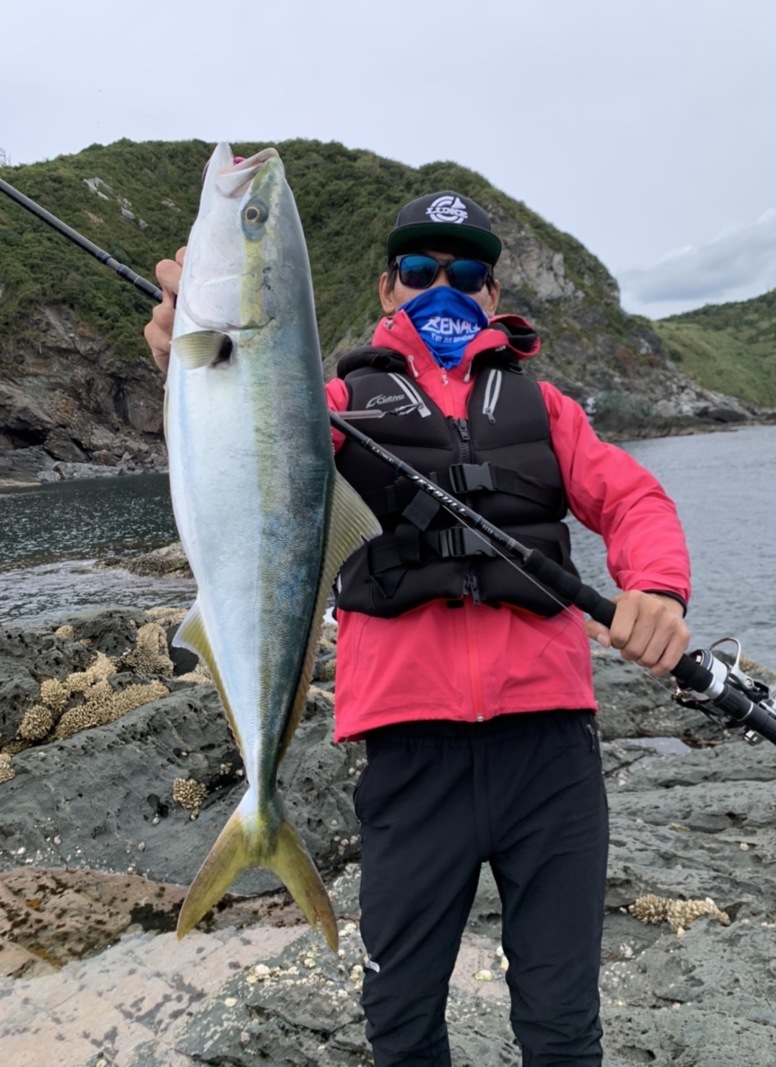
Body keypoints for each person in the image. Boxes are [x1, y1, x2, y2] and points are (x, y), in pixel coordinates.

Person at [145, 187, 691, 1067]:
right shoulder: (324, 402)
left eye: (466, 271)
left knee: (561, 1025)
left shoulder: (545, 410)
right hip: (407, 761)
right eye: (420, 268)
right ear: (388, 287)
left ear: (491, 292)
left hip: (549, 759)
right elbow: (244, 441)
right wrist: (188, 355)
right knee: (399, 1020)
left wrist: (658, 589)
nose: (444, 285)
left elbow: (632, 499)